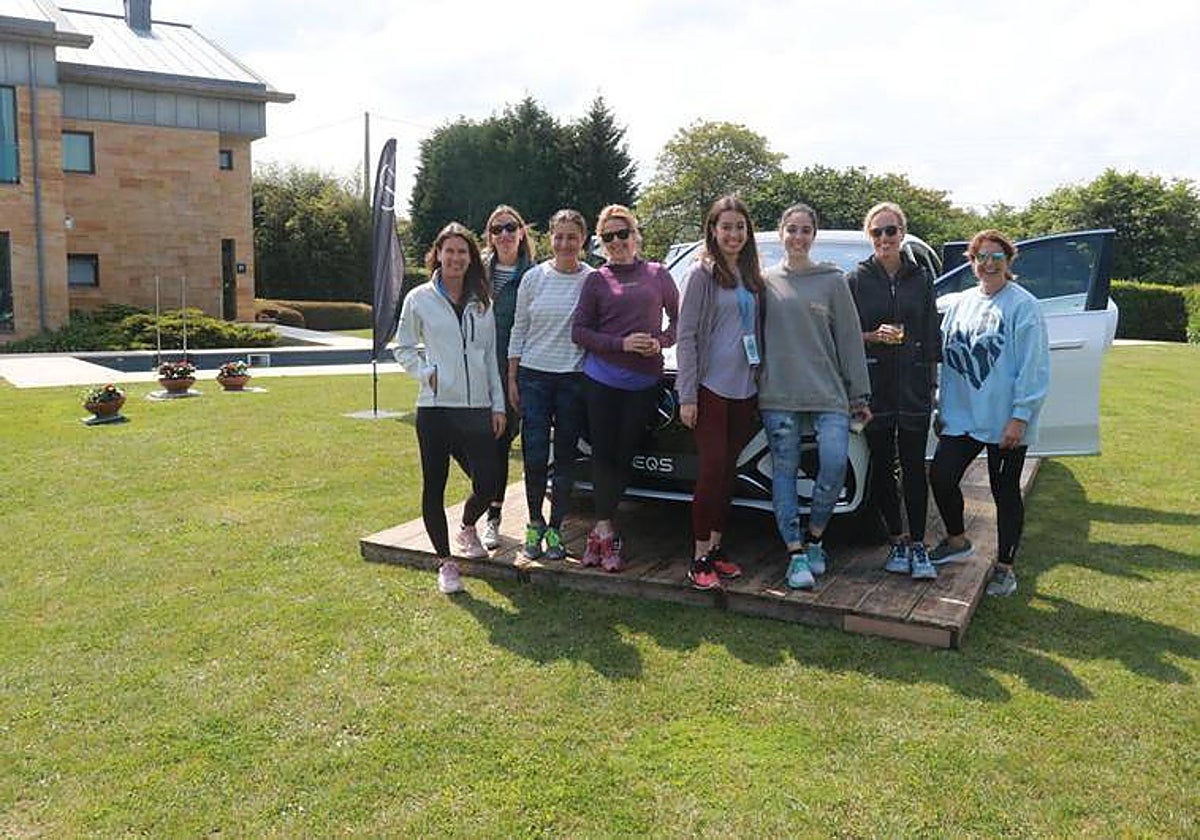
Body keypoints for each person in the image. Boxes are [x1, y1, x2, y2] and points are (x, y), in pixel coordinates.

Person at [930, 229, 1049, 597]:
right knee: (942, 476)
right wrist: (941, 403)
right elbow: (947, 360)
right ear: (971, 261)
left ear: (1008, 261)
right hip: (962, 415)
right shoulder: (960, 302)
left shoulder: (1023, 306)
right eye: (981, 256)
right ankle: (956, 540)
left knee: (1004, 491)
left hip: (1004, 420)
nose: (988, 263)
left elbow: (1035, 366)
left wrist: (1020, 416)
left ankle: (1005, 567)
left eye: (997, 256)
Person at [759, 204, 872, 590]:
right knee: (785, 471)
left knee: (834, 465)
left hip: (829, 393)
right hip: (779, 394)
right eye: (791, 229)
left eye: (805, 230)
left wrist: (859, 393)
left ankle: (816, 539)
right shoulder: (764, 282)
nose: (798, 237)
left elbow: (849, 342)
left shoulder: (832, 281)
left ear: (813, 235)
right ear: (780, 233)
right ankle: (794, 553)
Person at [395, 222, 507, 595]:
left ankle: (467, 525)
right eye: (450, 251)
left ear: (471, 258)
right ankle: (446, 563)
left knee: (488, 481)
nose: (456, 257)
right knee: (434, 485)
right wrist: (425, 373)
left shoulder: (482, 301)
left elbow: (490, 356)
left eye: (463, 251)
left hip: (477, 408)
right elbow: (403, 347)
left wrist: (498, 404)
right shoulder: (419, 298)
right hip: (436, 409)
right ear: (438, 255)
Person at [571, 204, 679, 572]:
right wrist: (621, 345)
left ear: (636, 235)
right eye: (609, 236)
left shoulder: (658, 274)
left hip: (645, 380)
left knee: (624, 453)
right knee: (603, 454)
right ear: (601, 242)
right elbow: (580, 332)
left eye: (623, 233)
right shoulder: (596, 280)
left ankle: (602, 532)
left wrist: (661, 341)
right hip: (602, 378)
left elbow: (682, 322)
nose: (617, 242)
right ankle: (605, 531)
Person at [847, 201, 941, 581]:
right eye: (877, 232)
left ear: (902, 234)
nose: (884, 238)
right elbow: (845, 336)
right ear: (869, 236)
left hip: (914, 385)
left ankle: (919, 544)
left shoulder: (920, 277)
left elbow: (932, 333)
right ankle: (897, 541)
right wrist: (872, 336)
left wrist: (933, 386)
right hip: (874, 387)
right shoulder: (855, 279)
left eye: (891, 231)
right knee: (883, 468)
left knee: (915, 467)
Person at [675, 196, 764, 590]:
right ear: (713, 230)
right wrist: (687, 395)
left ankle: (715, 548)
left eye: (740, 227)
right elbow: (686, 335)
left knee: (729, 473)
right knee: (710, 472)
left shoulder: (752, 276)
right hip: (710, 389)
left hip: (745, 390)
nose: (733, 234)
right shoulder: (701, 275)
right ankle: (697, 559)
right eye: (726, 226)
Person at [506, 209, 592, 561]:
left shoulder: (593, 279)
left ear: (583, 240)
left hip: (573, 379)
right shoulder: (533, 278)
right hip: (534, 377)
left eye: (572, 236)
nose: (565, 243)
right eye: (559, 236)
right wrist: (512, 377)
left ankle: (557, 528)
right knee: (536, 455)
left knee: (566, 458)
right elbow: (519, 328)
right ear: (550, 239)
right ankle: (534, 522)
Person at [479, 205, 536, 549]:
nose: (503, 234)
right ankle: (492, 515)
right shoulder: (477, 272)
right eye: (496, 228)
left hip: (525, 371)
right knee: (493, 445)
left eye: (510, 227)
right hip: (484, 372)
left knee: (531, 446)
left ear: (521, 232)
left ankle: (537, 521)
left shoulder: (535, 274)